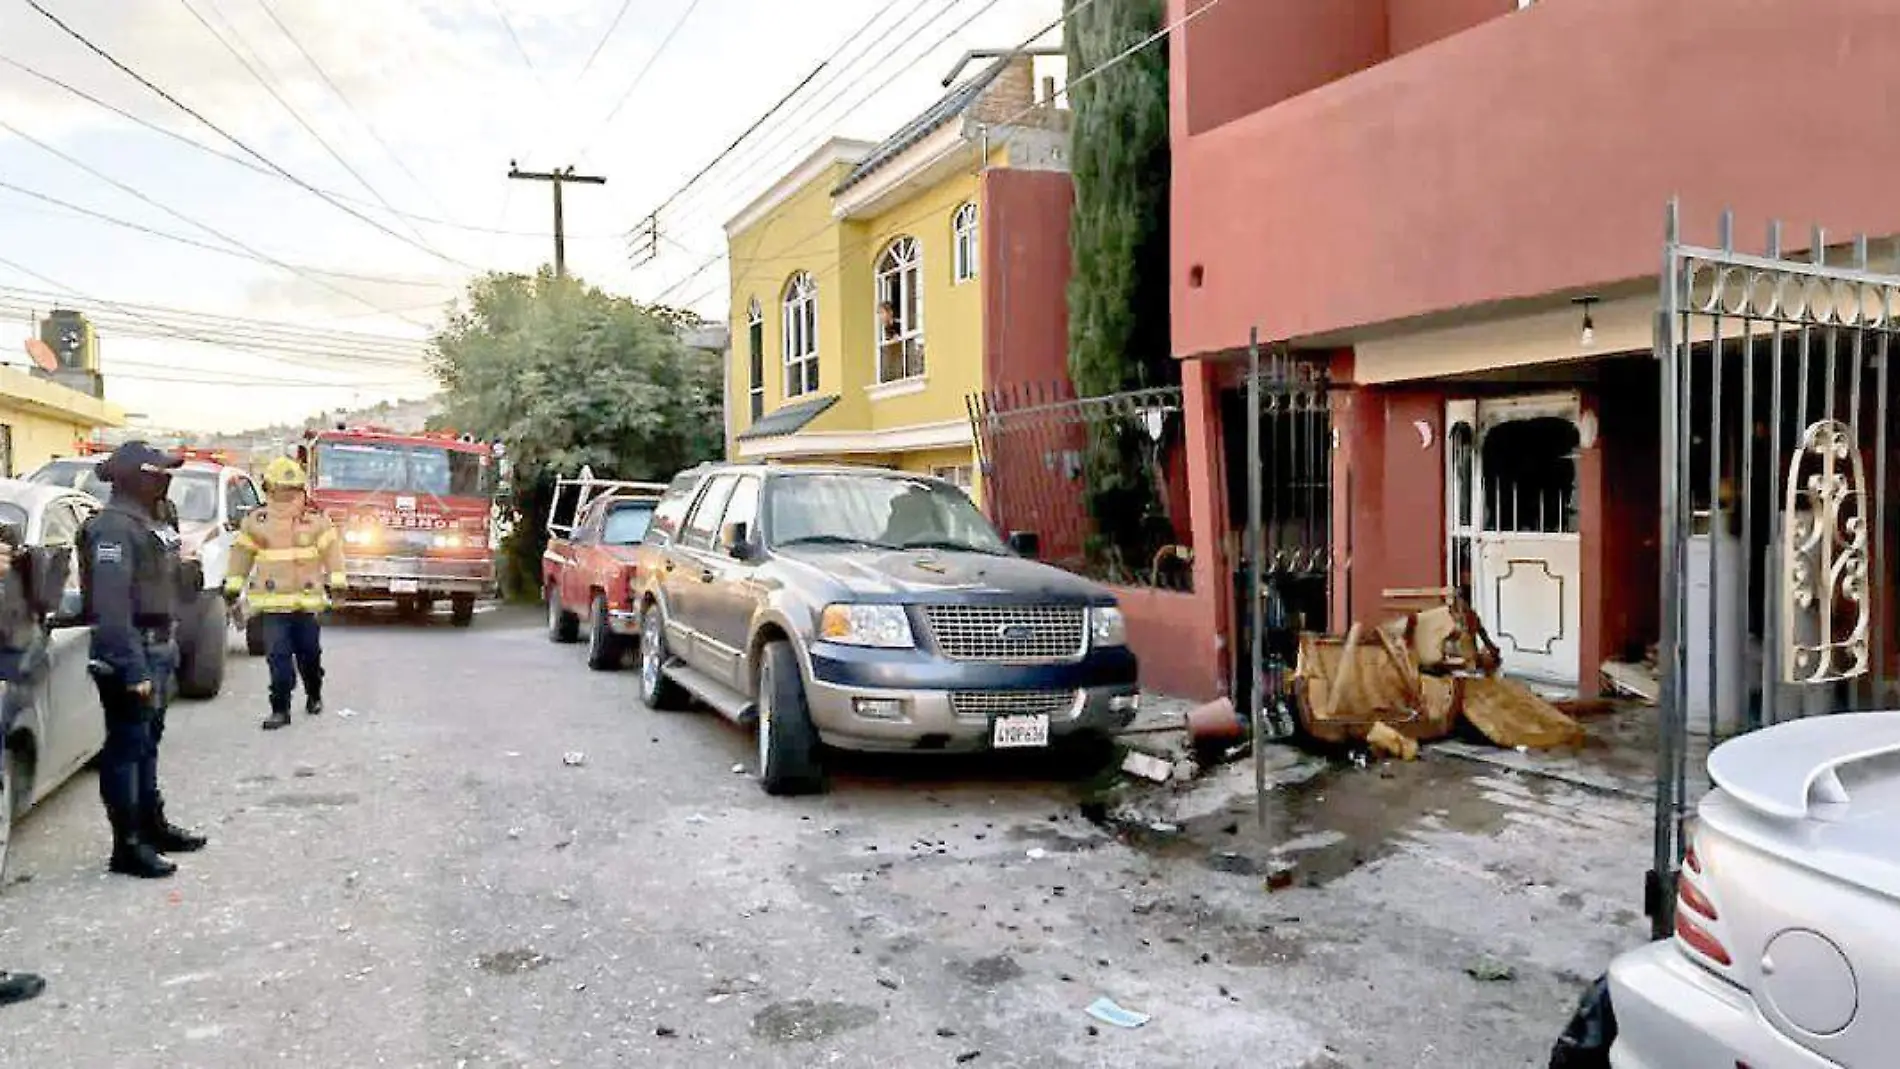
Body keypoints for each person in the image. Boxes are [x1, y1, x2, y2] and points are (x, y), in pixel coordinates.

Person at [78, 441, 206, 879]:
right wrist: (132, 669)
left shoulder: (155, 519)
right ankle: (127, 846)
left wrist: (190, 565)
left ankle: (153, 826)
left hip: (160, 646)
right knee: (125, 751)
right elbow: (111, 609)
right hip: (131, 653)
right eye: (160, 471)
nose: (167, 479)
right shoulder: (112, 528)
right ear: (139, 476)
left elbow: (178, 585)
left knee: (147, 746)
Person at [224, 456, 344, 731]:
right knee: (278, 659)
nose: (288, 495)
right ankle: (280, 709)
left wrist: (338, 584)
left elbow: (333, 554)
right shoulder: (257, 521)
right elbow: (241, 557)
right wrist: (232, 587)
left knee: (309, 656)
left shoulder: (316, 521)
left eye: (293, 490)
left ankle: (314, 693)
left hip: (306, 606)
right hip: (273, 607)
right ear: (269, 488)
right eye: (283, 489)